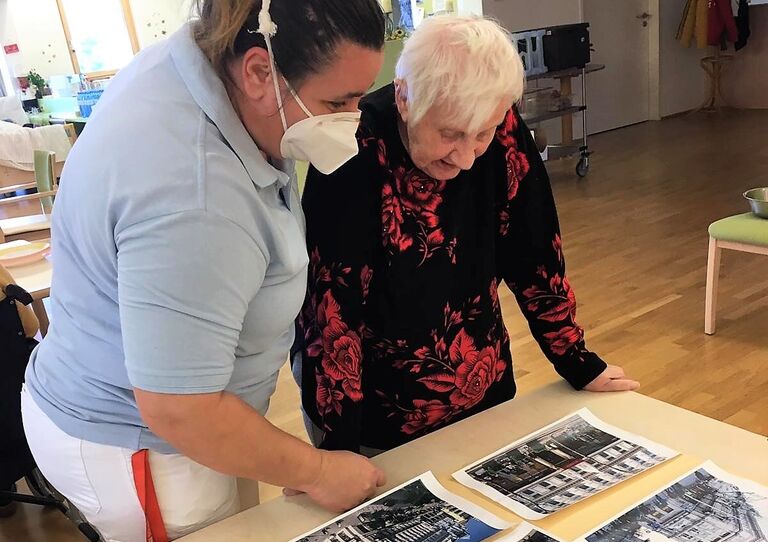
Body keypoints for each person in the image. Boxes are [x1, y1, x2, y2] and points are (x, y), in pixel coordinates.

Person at [21, 1, 388, 540]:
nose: (351, 121)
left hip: (185, 409)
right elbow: (180, 409)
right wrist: (319, 471)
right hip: (142, 438)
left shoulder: (201, 63)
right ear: (259, 71)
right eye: (337, 102)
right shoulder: (196, 196)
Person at [293, 15, 640, 457]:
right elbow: (330, 314)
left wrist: (576, 359)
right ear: (404, 98)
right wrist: (338, 452)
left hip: (483, 385)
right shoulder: (351, 148)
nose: (468, 157)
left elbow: (535, 254)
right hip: (376, 415)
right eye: (450, 134)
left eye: (482, 135)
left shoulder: (497, 121)